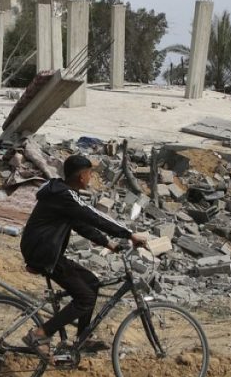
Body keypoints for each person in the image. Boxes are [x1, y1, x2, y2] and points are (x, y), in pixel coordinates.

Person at [19, 154, 147, 361]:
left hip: (43, 250)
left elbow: (80, 224)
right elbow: (93, 215)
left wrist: (108, 244)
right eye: (90, 174)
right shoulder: (67, 196)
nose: (90, 178)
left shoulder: (60, 193)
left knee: (92, 282)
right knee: (85, 298)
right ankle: (40, 334)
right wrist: (128, 233)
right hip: (44, 254)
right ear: (81, 177)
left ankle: (82, 337)